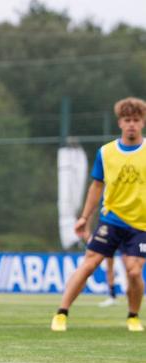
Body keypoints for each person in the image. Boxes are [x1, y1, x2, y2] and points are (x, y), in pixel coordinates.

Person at [51, 97, 146, 332]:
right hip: (112, 220)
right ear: (120, 123)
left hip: (141, 224)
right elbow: (96, 186)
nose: (131, 124)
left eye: (136, 120)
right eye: (127, 120)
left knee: (134, 271)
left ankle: (133, 316)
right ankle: (61, 313)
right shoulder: (106, 152)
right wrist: (84, 217)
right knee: (89, 264)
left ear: (142, 122)